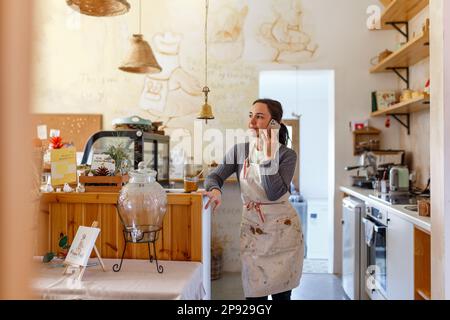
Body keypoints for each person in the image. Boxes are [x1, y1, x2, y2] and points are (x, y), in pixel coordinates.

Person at [203, 98, 304, 300]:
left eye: (259, 117)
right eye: (251, 116)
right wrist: (215, 189)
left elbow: (273, 192)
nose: (251, 122)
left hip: (283, 232)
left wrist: (267, 156)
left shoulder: (287, 155)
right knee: (253, 295)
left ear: (274, 123)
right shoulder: (240, 151)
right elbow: (213, 176)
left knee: (282, 297)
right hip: (253, 230)